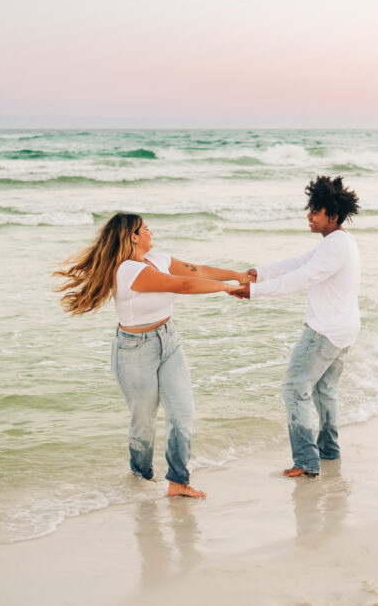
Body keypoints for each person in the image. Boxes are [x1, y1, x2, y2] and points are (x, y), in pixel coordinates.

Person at [54, 213, 249, 498]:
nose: (151, 232)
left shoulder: (157, 259)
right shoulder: (128, 271)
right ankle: (141, 478)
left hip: (169, 342)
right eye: (146, 229)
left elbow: (196, 271)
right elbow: (181, 285)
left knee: (182, 414)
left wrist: (238, 275)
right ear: (134, 236)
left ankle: (178, 482)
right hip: (134, 350)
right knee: (143, 423)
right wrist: (228, 288)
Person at [233, 176, 361, 478]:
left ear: (332, 215)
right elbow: (297, 263)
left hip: (325, 331)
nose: (309, 216)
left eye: (315, 211)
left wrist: (254, 291)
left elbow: (300, 277)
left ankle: (306, 462)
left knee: (294, 387)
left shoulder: (334, 248)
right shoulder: (339, 242)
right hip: (344, 329)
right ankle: (328, 450)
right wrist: (259, 274)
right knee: (324, 390)